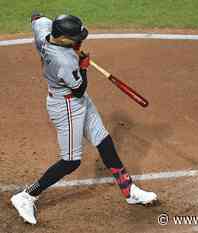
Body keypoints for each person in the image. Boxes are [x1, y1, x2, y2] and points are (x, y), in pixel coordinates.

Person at [11, 12, 158, 225]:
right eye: (76, 39)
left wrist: (71, 47)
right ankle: (26, 196)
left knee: (103, 140)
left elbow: (37, 18)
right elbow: (79, 89)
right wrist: (83, 65)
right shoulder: (63, 61)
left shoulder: (45, 30)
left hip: (75, 100)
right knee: (71, 160)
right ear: (62, 39)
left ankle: (130, 190)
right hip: (67, 105)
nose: (79, 41)